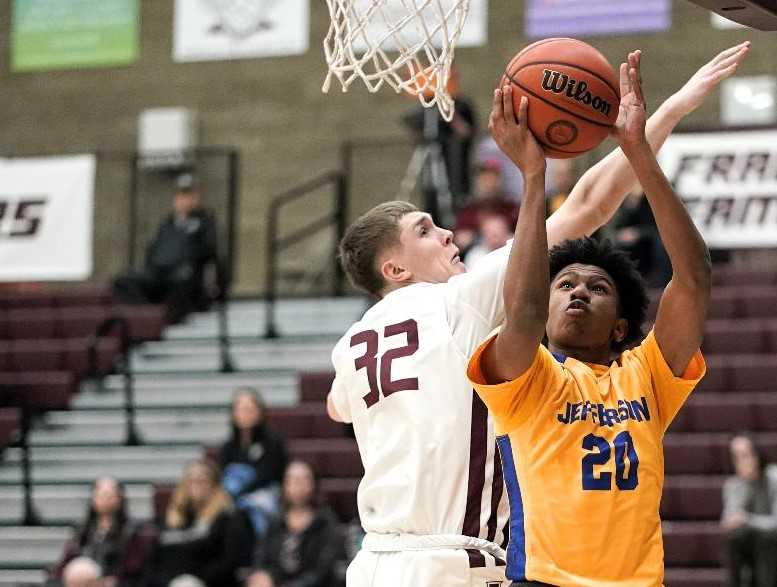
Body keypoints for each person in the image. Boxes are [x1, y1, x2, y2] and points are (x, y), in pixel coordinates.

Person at [326, 42, 749, 587]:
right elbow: (589, 208)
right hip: (454, 561)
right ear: (395, 269)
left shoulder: (351, 345)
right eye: (425, 232)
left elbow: (337, 408)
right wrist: (669, 112)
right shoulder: (460, 300)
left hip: (373, 563)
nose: (449, 233)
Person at [467, 49, 712, 586]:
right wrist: (535, 178)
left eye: (597, 287)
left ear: (621, 326)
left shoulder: (647, 375)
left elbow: (693, 276)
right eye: (565, 284)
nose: (578, 292)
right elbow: (524, 309)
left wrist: (639, 152)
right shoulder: (528, 381)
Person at [113, 173, 218, 322]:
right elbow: (153, 250)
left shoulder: (205, 221)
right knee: (124, 280)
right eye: (181, 195)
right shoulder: (167, 223)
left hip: (183, 275)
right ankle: (144, 316)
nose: (184, 200)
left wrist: (185, 257)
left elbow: (208, 249)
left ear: (196, 197)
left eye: (189, 195)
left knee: (181, 281)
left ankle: (171, 316)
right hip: (158, 273)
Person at [151, 460, 254, 587]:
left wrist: (195, 578)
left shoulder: (229, 518)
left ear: (214, 484)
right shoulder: (170, 519)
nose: (196, 485)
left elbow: (230, 562)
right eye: (191, 480)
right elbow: (155, 561)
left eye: (202, 480)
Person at [244, 460, 344, 587]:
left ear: (313, 484)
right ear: (285, 485)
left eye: (303, 479)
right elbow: (261, 557)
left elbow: (323, 569)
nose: (297, 485)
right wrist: (262, 575)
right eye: (292, 479)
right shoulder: (275, 520)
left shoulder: (325, 522)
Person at [52, 477, 155, 587]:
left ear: (120, 498)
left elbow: (134, 571)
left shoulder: (131, 532)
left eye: (110, 495)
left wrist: (110, 581)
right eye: (101, 495)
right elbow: (65, 565)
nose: (105, 499)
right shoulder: (83, 532)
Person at [219, 387, 289, 536]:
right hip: (233, 495)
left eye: (250, 409)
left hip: (264, 494)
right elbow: (222, 474)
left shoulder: (272, 443)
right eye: (241, 409)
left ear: (260, 412)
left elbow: (270, 474)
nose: (245, 414)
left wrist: (242, 491)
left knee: (254, 509)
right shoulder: (227, 446)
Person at [722, 433, 777, 587]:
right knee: (734, 538)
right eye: (736, 457)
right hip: (751, 544)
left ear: (757, 454)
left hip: (772, 542)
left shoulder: (774, 477)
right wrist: (745, 485)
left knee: (766, 541)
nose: (742, 461)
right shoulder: (734, 485)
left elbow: (775, 523)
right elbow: (727, 522)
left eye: (745, 455)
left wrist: (747, 519)